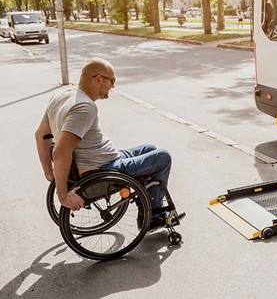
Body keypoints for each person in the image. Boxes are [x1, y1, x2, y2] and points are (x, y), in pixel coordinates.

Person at [35, 58, 183, 228]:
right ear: (98, 79)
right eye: (112, 81)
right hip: (103, 169)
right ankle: (152, 216)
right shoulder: (84, 107)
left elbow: (40, 135)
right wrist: (63, 196)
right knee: (163, 157)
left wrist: (49, 172)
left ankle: (147, 205)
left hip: (103, 160)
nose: (113, 86)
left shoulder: (62, 95)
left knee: (149, 148)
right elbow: (60, 151)